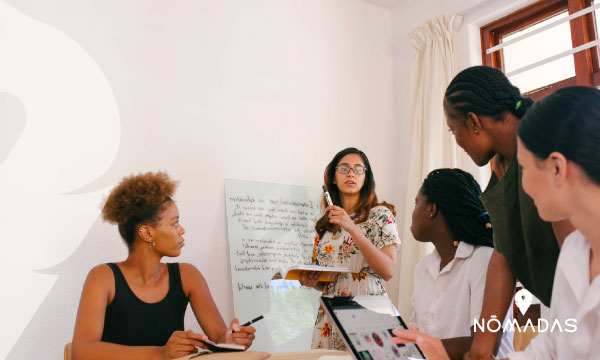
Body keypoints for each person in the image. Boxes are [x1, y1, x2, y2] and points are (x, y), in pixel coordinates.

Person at [393, 85, 600, 359]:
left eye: (523, 168)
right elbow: (549, 350)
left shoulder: (488, 257)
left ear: (557, 168)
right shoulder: (574, 252)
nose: (517, 185)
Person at [442, 66, 573, 359]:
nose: (457, 142)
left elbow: (576, 252)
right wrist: (481, 348)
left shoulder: (547, 143)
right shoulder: (501, 167)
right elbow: (503, 259)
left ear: (473, 122)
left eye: (454, 131)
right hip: (563, 310)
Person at [71, 172, 255, 360]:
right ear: (147, 234)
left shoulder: (188, 275)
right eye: (174, 224)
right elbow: (81, 351)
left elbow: (219, 337)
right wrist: (160, 353)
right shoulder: (103, 277)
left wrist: (230, 340)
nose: (182, 230)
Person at [298, 147, 401, 350]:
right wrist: (313, 282)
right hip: (330, 313)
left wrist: (352, 227)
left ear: (366, 178)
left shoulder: (380, 215)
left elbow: (388, 271)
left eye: (358, 169)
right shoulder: (325, 225)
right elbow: (329, 280)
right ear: (334, 177)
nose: (351, 173)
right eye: (344, 168)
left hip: (367, 308)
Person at [410, 168, 513, 360]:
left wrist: (417, 345)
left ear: (431, 209)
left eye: (416, 203)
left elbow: (484, 345)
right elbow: (416, 336)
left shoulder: (484, 260)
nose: (413, 212)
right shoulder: (422, 268)